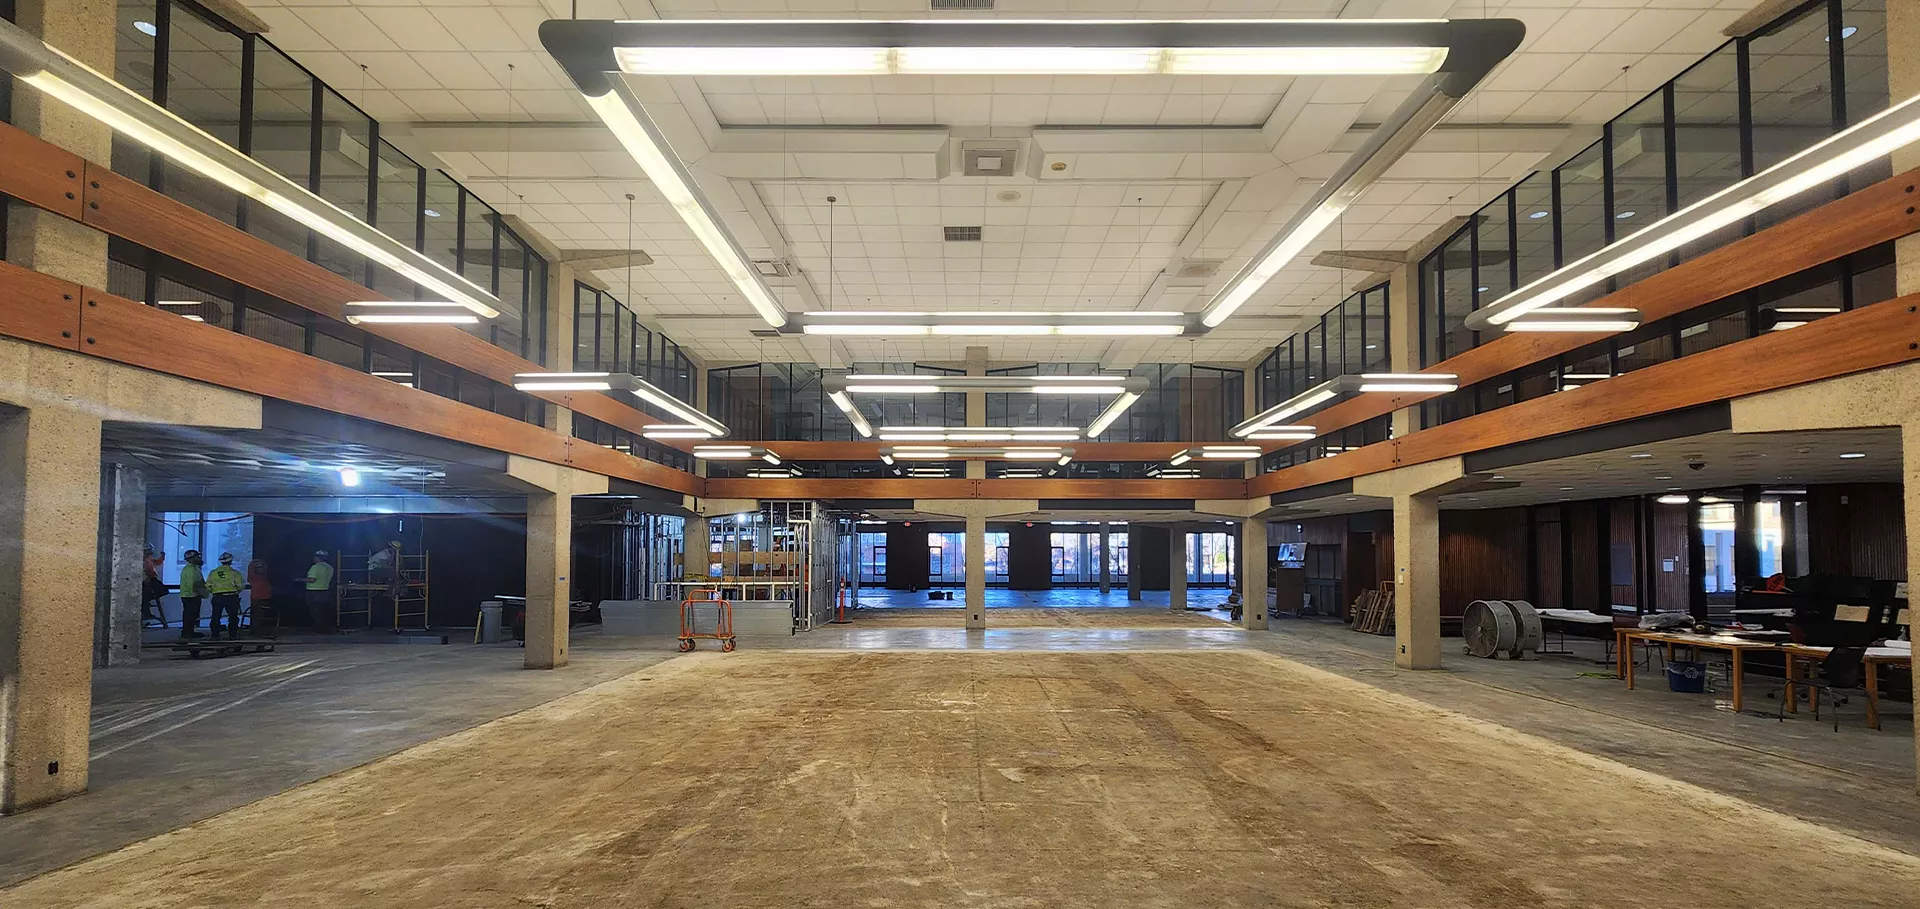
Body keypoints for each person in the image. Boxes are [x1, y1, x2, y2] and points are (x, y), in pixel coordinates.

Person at [206, 553, 246, 640]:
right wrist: (236, 592)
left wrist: (214, 592)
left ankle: (215, 636)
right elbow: (240, 586)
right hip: (231, 596)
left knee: (215, 616)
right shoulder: (235, 573)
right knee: (233, 617)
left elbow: (208, 586)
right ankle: (232, 635)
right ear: (230, 561)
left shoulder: (213, 573)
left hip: (217, 597)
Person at [177, 550, 208, 639]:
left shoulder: (189, 568)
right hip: (191, 596)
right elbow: (194, 584)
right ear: (192, 559)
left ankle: (188, 631)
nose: (199, 558)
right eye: (197, 557)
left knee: (189, 615)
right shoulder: (192, 570)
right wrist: (202, 593)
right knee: (191, 615)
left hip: (188, 595)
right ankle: (187, 633)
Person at [306, 551, 336, 631]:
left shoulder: (315, 567)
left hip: (314, 591)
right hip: (325, 591)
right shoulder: (330, 567)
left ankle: (319, 628)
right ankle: (324, 627)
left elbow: (312, 579)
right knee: (323, 611)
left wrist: (300, 579)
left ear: (317, 558)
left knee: (315, 611)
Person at [142, 545, 168, 627]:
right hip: (148, 581)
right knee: (147, 596)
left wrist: (162, 557)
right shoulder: (143, 560)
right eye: (150, 550)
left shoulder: (148, 559)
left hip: (151, 579)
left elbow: (157, 562)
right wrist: (145, 579)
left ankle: (147, 606)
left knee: (161, 590)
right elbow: (143, 571)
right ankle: (146, 610)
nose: (151, 551)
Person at [247, 556, 274, 636]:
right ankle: (256, 630)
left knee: (255, 613)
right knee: (259, 614)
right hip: (265, 595)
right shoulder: (264, 567)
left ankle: (254, 629)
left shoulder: (251, 566)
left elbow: (249, 579)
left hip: (255, 594)